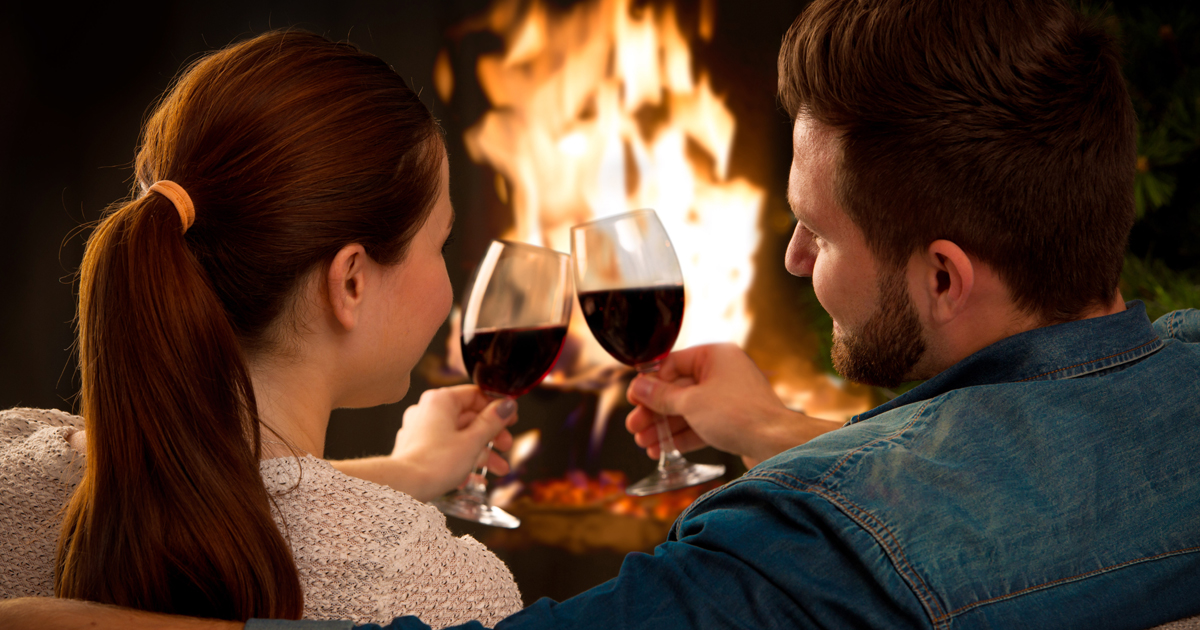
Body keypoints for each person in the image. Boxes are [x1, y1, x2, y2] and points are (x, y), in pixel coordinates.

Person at [4, 0, 1200, 628]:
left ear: (942, 277)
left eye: (819, 235)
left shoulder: (792, 550)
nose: (787, 256)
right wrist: (781, 423)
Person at [0, 31, 525, 627]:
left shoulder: (10, 463)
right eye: (442, 243)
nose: (447, 283)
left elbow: (189, 485)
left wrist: (412, 470)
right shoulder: (421, 583)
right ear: (350, 281)